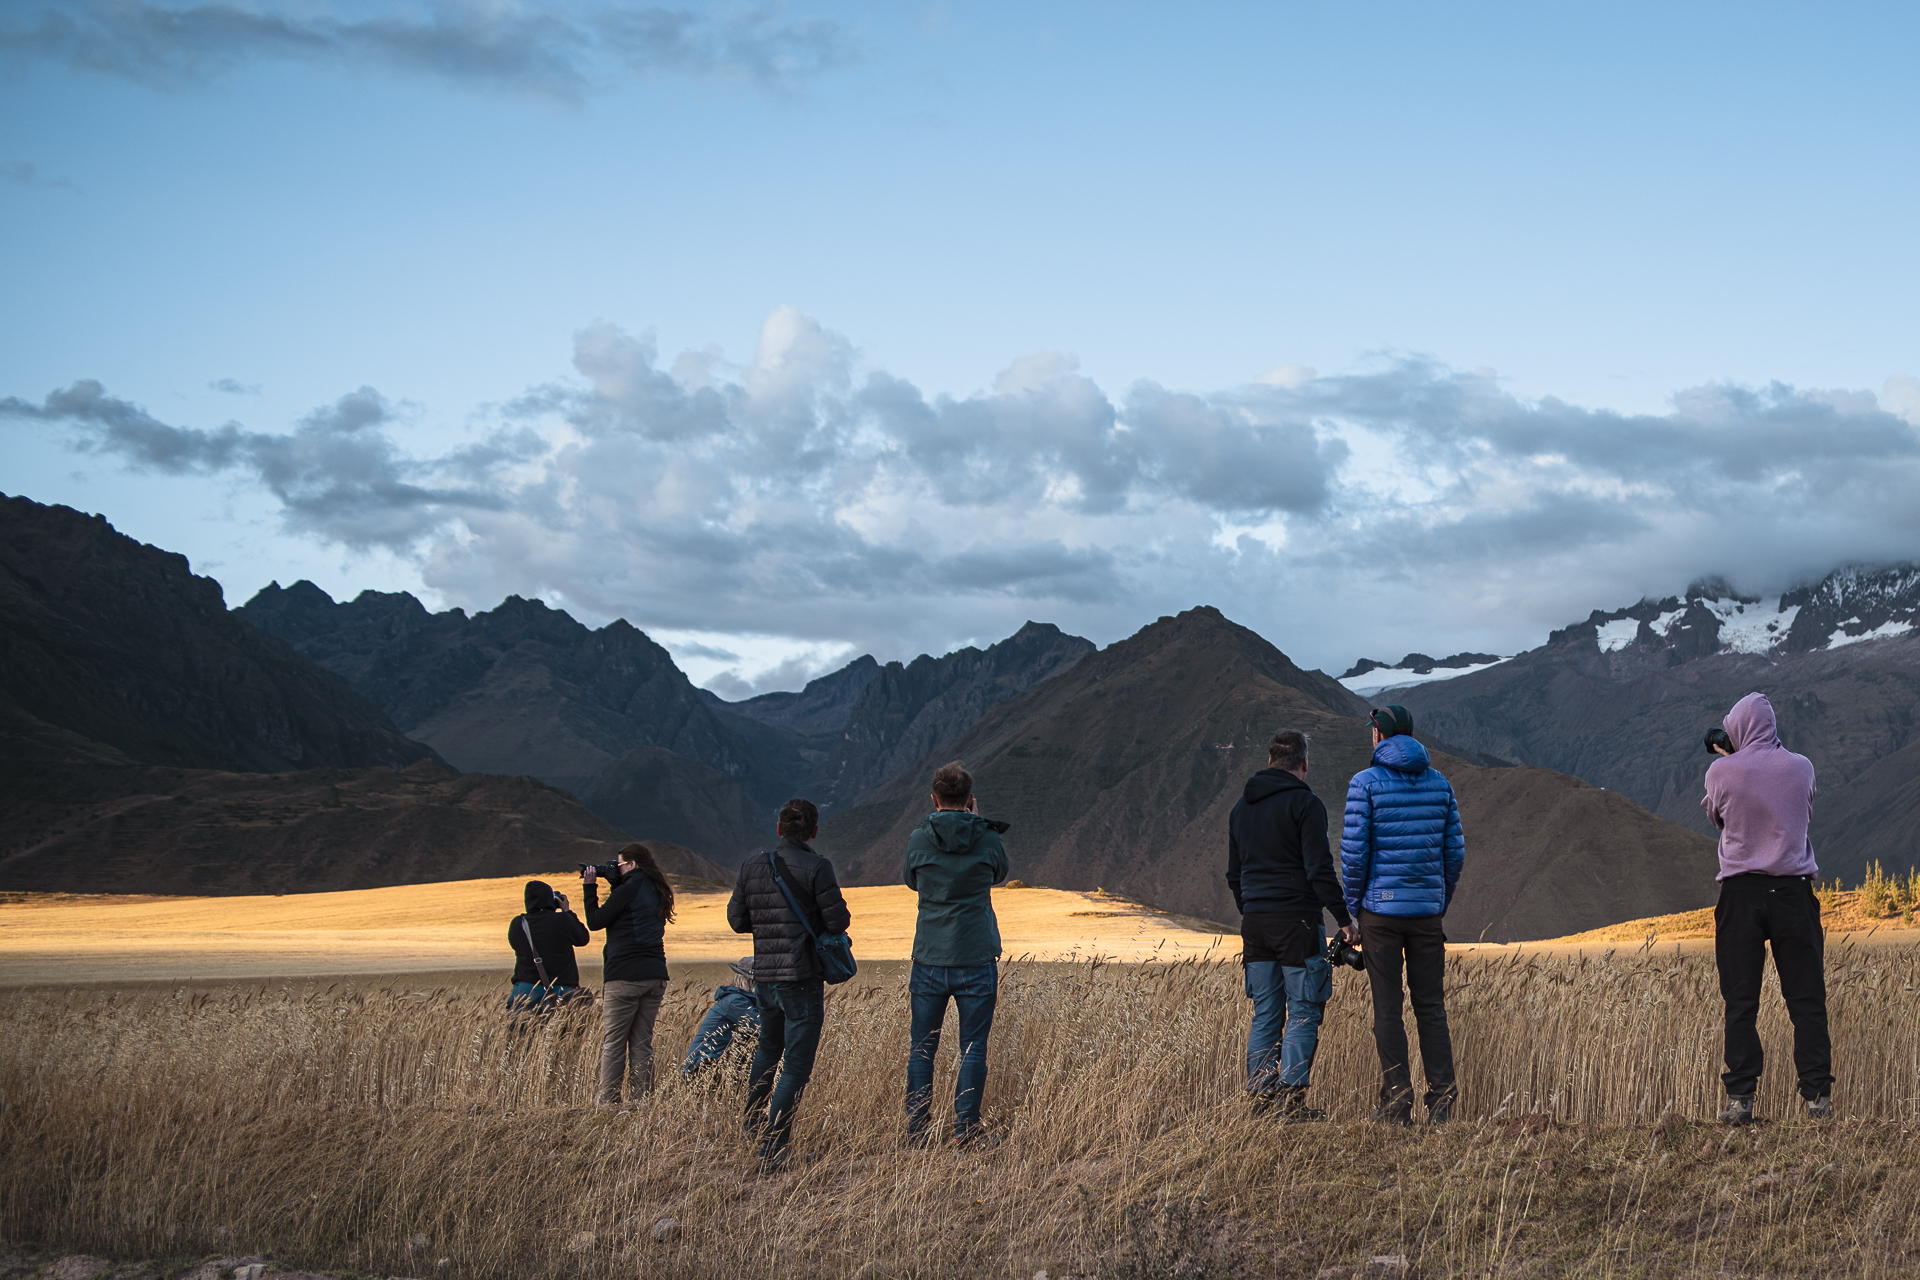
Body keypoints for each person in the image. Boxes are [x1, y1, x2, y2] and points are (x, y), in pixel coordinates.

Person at [1703, 691, 1831, 1123]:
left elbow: (1718, 818)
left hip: (1741, 896)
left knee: (1741, 1001)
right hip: (1793, 893)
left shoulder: (1721, 770)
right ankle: (1817, 1100)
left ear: (1737, 728)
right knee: (1807, 1000)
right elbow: (1801, 810)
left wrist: (1732, 759)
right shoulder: (1802, 767)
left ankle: (1740, 1101)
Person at [1341, 704, 1464, 1126]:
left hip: (1381, 913)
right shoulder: (1440, 783)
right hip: (1427, 914)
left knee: (1387, 1008)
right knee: (1431, 1007)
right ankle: (1443, 1103)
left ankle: (1397, 1101)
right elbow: (1454, 853)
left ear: (1380, 735)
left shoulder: (1365, 784)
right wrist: (1437, 901)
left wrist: (1352, 910)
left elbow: (1355, 856)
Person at [1227, 729, 1351, 1122]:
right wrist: (1344, 919)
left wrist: (1250, 909)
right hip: (1296, 923)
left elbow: (1234, 875)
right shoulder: (1306, 804)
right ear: (1304, 764)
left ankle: (1261, 1104)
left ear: (1268, 762)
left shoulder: (1239, 810)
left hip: (1255, 924)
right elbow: (1318, 869)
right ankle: (1290, 1104)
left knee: (1265, 1012)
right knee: (1303, 1009)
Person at [728, 798, 852, 1170]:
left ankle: (752, 1127)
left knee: (767, 1050)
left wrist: (769, 927)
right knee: (796, 1066)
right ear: (814, 831)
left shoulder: (751, 865)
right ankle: (775, 1147)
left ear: (780, 829)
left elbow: (737, 919)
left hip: (764, 977)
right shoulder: (818, 866)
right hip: (801, 978)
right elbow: (838, 922)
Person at [903, 760, 1010, 1148]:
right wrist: (975, 824)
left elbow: (911, 880)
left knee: (922, 1047)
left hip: (930, 956)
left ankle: (916, 1133)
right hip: (976, 956)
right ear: (970, 799)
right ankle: (965, 1132)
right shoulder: (987, 838)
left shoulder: (918, 839)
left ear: (934, 799)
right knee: (973, 1046)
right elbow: (1000, 874)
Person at [582, 843, 676, 1106]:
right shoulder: (657, 889)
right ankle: (642, 1101)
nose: (617, 868)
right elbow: (628, 913)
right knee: (641, 1043)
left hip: (624, 976)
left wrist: (590, 888)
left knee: (614, 1043)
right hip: (655, 975)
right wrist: (617, 885)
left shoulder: (630, 888)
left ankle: (609, 1102)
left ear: (632, 864)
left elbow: (596, 920)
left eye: (620, 864)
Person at [507, 879, 590, 1014]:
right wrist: (567, 911)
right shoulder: (563, 920)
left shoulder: (518, 923)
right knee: (562, 1034)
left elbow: (515, 945)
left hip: (525, 989)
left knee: (521, 1034)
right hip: (561, 989)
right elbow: (583, 938)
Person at [680, 958, 763, 1078]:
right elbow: (763, 1029)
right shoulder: (735, 1002)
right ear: (749, 980)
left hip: (708, 1063)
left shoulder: (739, 1000)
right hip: (703, 1066)